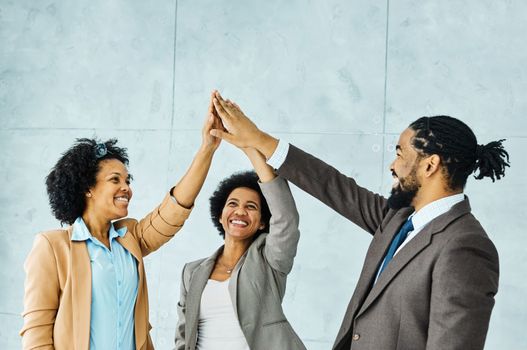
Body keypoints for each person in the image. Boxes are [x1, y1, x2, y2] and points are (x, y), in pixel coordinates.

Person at [209, 91, 510, 350]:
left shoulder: (465, 247)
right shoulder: (397, 219)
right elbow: (333, 186)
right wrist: (256, 139)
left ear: (430, 165)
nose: (393, 166)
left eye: (400, 153)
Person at [20, 93, 222, 350]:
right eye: (115, 180)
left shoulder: (130, 238)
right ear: (87, 188)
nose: (126, 188)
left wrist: (207, 148)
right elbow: (36, 332)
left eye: (128, 181)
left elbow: (174, 210)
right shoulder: (52, 246)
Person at [174, 146, 306, 350]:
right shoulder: (191, 272)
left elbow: (286, 218)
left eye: (251, 207)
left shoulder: (270, 261)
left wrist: (250, 148)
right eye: (232, 204)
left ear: (263, 222)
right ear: (220, 214)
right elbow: (183, 337)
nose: (240, 211)